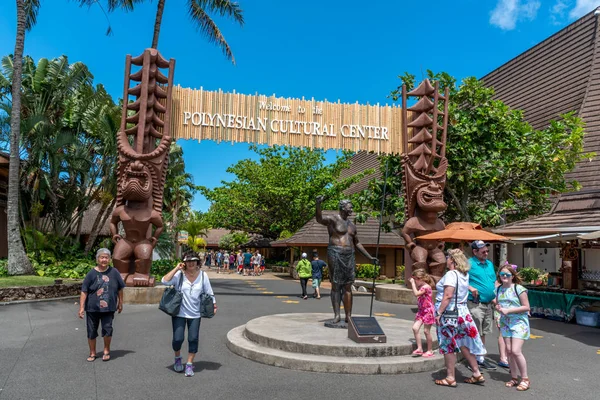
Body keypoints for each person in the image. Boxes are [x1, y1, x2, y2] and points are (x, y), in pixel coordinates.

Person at [316, 196, 377, 324]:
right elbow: (319, 219)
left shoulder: (352, 225)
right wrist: (318, 204)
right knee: (336, 286)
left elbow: (358, 243)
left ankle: (348, 315)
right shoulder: (333, 219)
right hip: (335, 253)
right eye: (350, 206)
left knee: (348, 286)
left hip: (349, 254)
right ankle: (337, 315)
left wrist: (369, 257)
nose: (352, 209)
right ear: (343, 207)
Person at [434, 249, 486, 387]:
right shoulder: (464, 274)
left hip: (450, 312)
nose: (446, 259)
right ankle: (476, 372)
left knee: (448, 343)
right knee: (463, 342)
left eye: (448, 257)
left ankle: (450, 377)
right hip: (462, 311)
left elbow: (448, 295)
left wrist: (439, 312)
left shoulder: (451, 274)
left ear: (452, 260)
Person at [161, 252, 217, 377]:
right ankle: (178, 358)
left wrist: (214, 304)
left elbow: (209, 292)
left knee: (193, 339)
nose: (191, 263)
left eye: (194, 261)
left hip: (195, 314)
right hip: (179, 313)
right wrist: (176, 268)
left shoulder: (203, 276)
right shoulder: (179, 275)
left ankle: (189, 364)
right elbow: (164, 281)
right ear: (184, 262)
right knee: (178, 339)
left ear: (198, 262)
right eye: (188, 261)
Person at [79, 248, 125, 362]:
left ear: (109, 259)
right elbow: (84, 291)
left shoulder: (114, 272)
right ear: (97, 259)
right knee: (91, 331)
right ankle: (92, 353)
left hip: (109, 308)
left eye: (106, 257)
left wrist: (120, 303)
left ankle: (106, 350)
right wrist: (81, 307)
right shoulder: (91, 273)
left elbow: (120, 289)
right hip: (92, 308)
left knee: (107, 329)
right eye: (102, 257)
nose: (104, 259)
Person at [494, 264, 531, 391]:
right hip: (505, 322)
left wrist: (508, 311)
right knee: (509, 351)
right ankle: (514, 377)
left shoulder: (519, 288)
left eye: (507, 274)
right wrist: (498, 308)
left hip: (519, 322)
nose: (504, 276)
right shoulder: (498, 289)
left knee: (515, 351)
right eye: (502, 274)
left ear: (512, 276)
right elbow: (499, 304)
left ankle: (525, 379)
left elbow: (527, 307)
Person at [467, 240, 498, 370]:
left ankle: (480, 358)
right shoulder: (469, 264)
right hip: (476, 303)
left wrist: (496, 296)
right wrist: (470, 288)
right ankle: (473, 359)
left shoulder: (489, 264)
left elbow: (494, 281)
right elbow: (460, 279)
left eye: (487, 251)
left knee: (483, 331)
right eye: (483, 251)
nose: (486, 253)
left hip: (488, 303)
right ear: (475, 252)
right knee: (474, 331)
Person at [409, 269, 435, 358]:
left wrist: (412, 283)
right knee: (415, 328)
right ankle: (419, 348)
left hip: (428, 311)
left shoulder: (426, 287)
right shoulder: (422, 286)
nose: (415, 281)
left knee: (426, 331)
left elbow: (416, 294)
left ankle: (430, 350)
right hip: (421, 311)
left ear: (420, 278)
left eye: (415, 279)